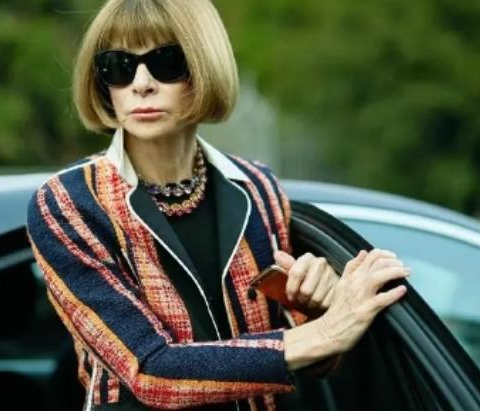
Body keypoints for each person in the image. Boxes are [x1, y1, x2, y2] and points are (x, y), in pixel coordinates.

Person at [25, 0, 410, 409]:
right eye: (118, 66)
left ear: (204, 66)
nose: (141, 84)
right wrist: (326, 331)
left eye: (167, 62)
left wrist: (316, 307)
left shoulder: (258, 188)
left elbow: (308, 361)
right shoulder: (70, 202)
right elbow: (150, 370)